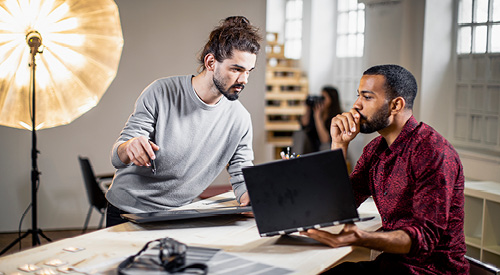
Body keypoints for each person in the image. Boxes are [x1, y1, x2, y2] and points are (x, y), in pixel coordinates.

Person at [301, 64, 469, 274]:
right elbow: (340, 204)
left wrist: (362, 238)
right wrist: (339, 145)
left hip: (431, 272)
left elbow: (424, 240)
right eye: (358, 96)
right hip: (393, 266)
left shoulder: (433, 151)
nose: (356, 105)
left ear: (396, 105)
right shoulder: (375, 150)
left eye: (367, 97)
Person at [105, 16, 262, 227]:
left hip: (180, 213)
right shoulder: (161, 92)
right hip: (128, 210)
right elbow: (118, 156)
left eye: (248, 71)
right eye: (236, 69)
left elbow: (241, 174)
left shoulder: (240, 119)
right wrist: (130, 146)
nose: (244, 80)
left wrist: (252, 196)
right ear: (210, 62)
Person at [298, 86, 342, 153]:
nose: (321, 100)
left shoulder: (337, 117)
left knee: (326, 145)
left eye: (323, 98)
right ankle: (294, 161)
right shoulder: (315, 110)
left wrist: (317, 117)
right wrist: (308, 108)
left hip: (327, 149)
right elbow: (304, 123)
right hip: (312, 146)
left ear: (332, 100)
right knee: (299, 134)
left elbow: (325, 140)